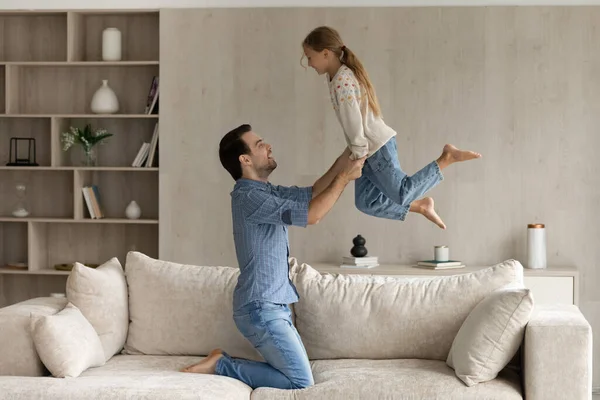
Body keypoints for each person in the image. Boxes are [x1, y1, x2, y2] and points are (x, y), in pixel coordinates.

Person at [181, 123, 365, 389]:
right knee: (301, 382)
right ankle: (222, 364)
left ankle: (222, 362)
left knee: (299, 376)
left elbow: (313, 193)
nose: (268, 147)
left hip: (273, 307)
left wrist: (349, 153)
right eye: (259, 145)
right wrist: (345, 178)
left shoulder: (267, 191)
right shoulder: (249, 198)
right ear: (244, 159)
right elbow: (312, 215)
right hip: (261, 309)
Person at [302, 26, 483, 229]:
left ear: (326, 53)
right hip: (367, 148)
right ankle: (421, 205)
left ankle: (446, 158)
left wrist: (357, 157)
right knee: (366, 202)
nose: (308, 63)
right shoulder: (337, 76)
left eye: (309, 57)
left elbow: (353, 121)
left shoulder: (341, 80)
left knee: (402, 192)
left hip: (375, 149)